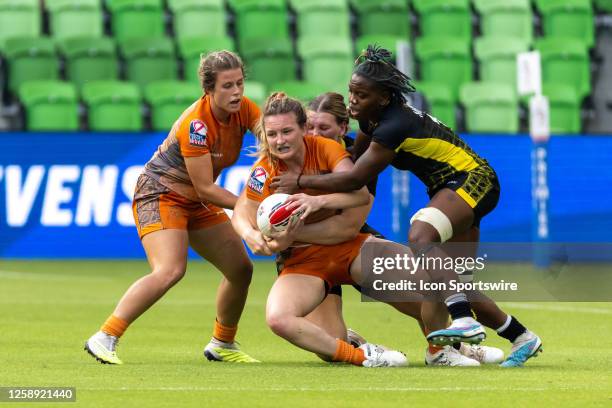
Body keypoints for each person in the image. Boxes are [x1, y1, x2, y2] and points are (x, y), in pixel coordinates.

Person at [271, 45, 543, 368]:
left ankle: (461, 324)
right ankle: (520, 336)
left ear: (384, 98)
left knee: (420, 237)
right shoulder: (372, 124)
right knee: (451, 281)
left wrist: (300, 183)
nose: (353, 100)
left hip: (472, 179)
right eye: (351, 92)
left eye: (361, 94)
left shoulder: (393, 125)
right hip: (450, 187)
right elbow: (355, 174)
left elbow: (353, 177)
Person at [232, 92, 488, 366]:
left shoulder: (330, 150)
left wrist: (314, 201)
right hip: (304, 263)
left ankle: (443, 350)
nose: (279, 140)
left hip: (351, 247)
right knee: (280, 320)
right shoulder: (263, 171)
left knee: (435, 277)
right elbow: (241, 213)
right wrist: (256, 238)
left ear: (303, 129)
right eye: (272, 134)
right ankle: (363, 354)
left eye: (286, 131)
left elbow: (359, 196)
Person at [84, 50, 260, 364]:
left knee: (241, 269)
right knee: (170, 270)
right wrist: (250, 206)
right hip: (159, 195)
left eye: (240, 83)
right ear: (209, 90)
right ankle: (105, 336)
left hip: (196, 201)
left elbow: (269, 139)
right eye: (227, 86)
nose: (236, 92)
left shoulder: (244, 108)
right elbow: (206, 186)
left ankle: (222, 343)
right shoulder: (197, 125)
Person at [304, 92, 504, 366]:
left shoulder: (359, 160)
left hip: (350, 240)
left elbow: (350, 223)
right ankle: (362, 346)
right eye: (309, 127)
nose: (315, 134)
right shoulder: (294, 153)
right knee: (330, 347)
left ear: (342, 128)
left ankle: (457, 347)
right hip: (307, 256)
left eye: (323, 128)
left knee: (432, 291)